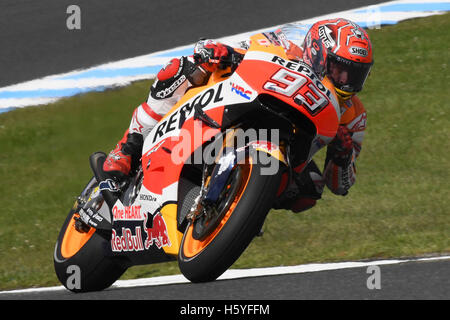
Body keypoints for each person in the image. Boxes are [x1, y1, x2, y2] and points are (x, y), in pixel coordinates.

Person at [102, 18, 373, 213]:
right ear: (317, 53)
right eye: (340, 70)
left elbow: (341, 185)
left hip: (289, 151)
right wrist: (223, 52)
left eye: (356, 75)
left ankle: (241, 205)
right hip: (242, 102)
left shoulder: (353, 115)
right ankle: (127, 149)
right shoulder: (284, 45)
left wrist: (342, 154)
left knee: (311, 190)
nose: (346, 81)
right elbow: (235, 48)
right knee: (179, 70)